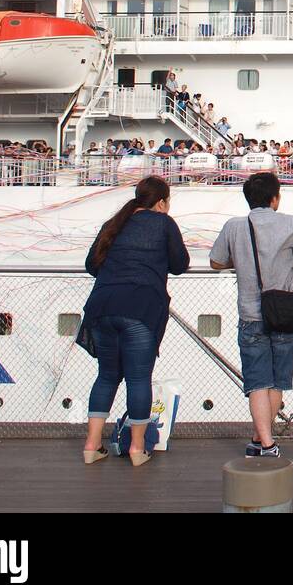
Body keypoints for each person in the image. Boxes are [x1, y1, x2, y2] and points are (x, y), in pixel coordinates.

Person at [82, 176, 189, 466]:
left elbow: (92, 265)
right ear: (162, 201)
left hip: (102, 306)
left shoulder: (115, 223)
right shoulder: (163, 223)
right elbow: (180, 265)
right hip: (141, 307)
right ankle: (137, 448)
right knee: (138, 378)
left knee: (106, 376)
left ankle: (92, 446)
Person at [209, 172, 293, 458]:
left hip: (250, 314)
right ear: (275, 198)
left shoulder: (234, 226)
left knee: (257, 381)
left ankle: (263, 441)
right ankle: (263, 440)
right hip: (284, 313)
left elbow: (216, 261)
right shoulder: (291, 223)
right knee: (278, 381)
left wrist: (241, 260)